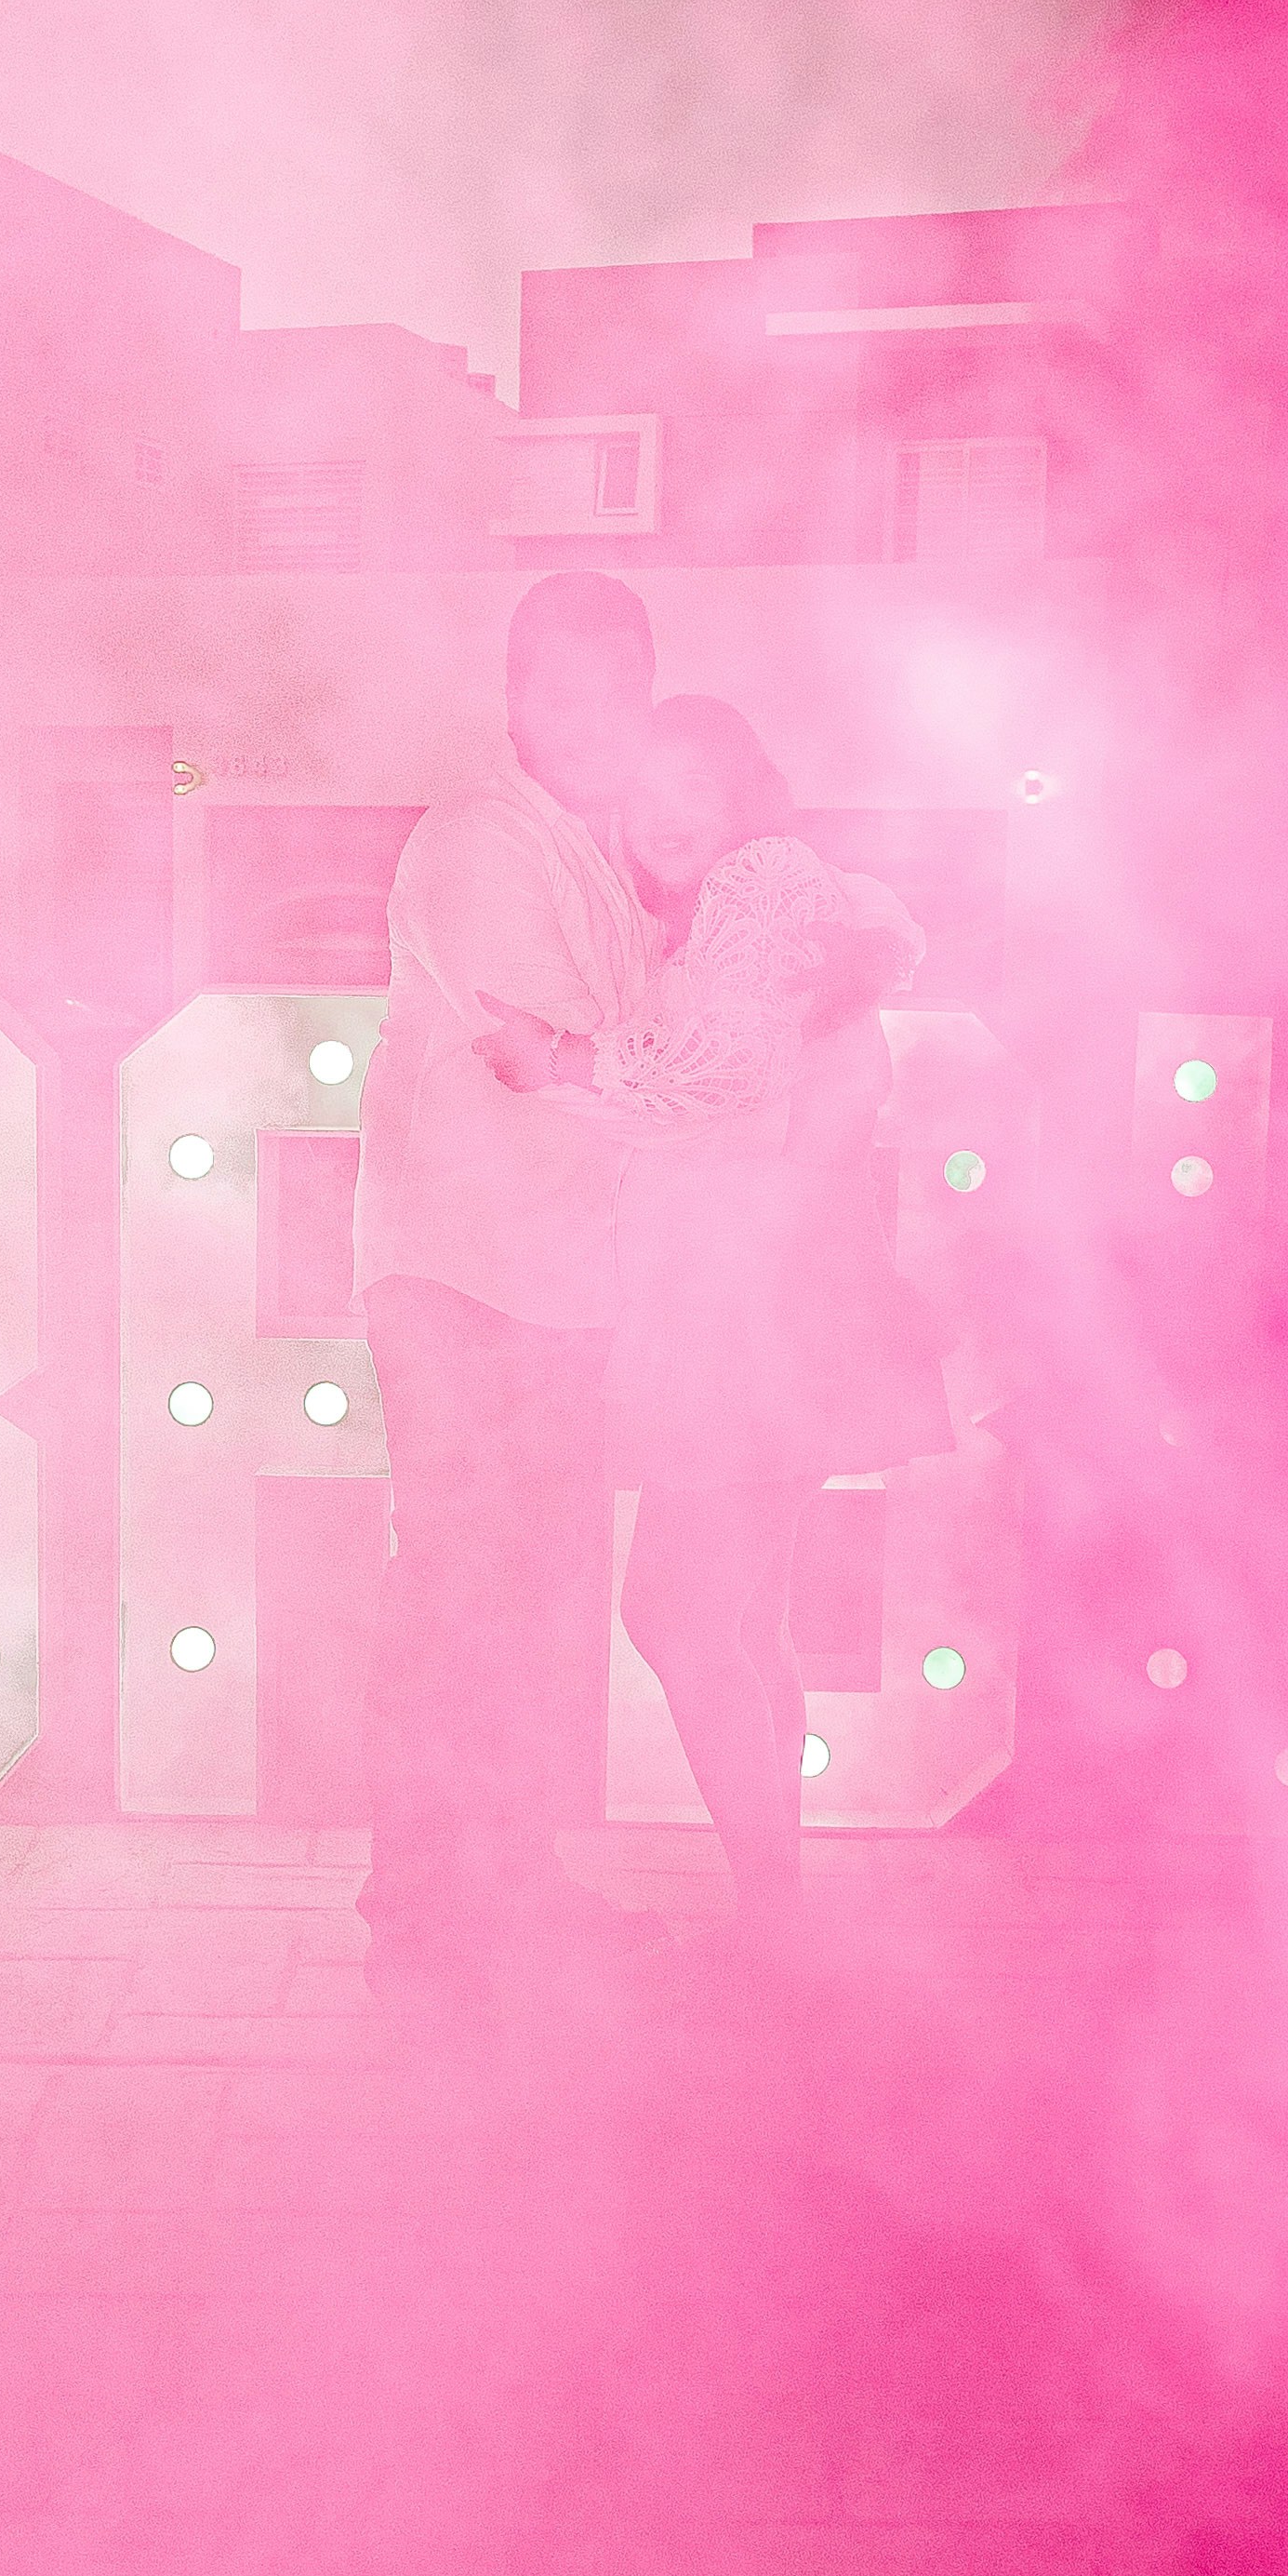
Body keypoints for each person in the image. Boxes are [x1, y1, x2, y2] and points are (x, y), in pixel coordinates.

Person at [477, 693, 945, 1945]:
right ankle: (775, 1905)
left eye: (698, 789)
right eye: (645, 790)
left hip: (763, 1323)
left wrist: (561, 1070)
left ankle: (773, 1912)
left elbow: (726, 1112)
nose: (666, 815)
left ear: (745, 805)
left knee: (680, 1615)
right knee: (736, 1616)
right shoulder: (729, 932)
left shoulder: (767, 909)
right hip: (757, 1315)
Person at [352, 570, 660, 1986]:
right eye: (565, 686)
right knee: (465, 1586)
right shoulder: (481, 843)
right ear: (519, 698)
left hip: (557, 1285)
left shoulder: (594, 857)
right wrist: (696, 1087)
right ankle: (426, 1894)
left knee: (530, 1593)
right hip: (464, 1282)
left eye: (618, 687)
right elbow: (540, 1058)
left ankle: (506, 1877)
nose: (593, 714)